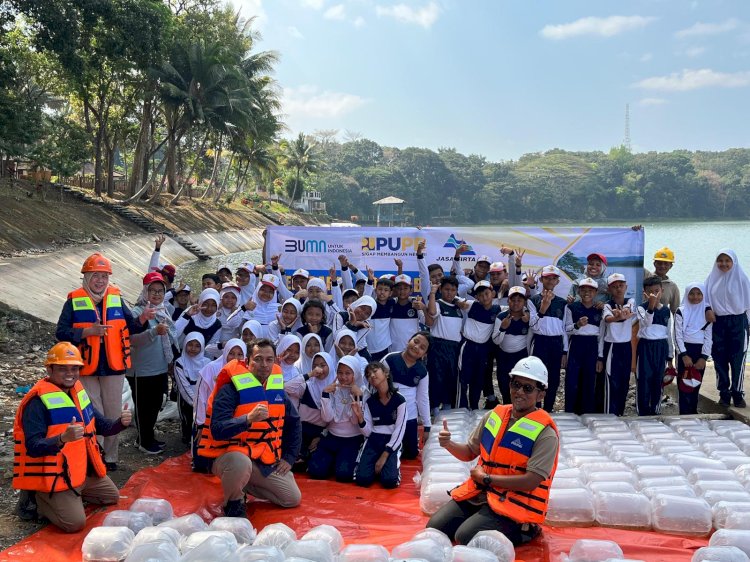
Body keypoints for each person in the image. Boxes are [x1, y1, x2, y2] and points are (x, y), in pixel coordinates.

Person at [426, 356, 559, 546]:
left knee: (465, 537)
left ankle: (526, 530)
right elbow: (470, 451)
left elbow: (531, 481)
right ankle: (480, 518)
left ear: (541, 395)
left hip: (514, 501)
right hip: (482, 492)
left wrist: (487, 479)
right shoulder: (494, 416)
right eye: (516, 384)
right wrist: (449, 444)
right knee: (435, 528)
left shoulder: (546, 434)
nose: (519, 391)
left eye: (528, 388)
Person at [13, 343, 132, 532]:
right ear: (49, 369)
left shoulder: (78, 391)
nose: (70, 373)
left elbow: (102, 426)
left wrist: (121, 423)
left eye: (75, 368)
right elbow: (33, 447)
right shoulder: (37, 402)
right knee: (75, 524)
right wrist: (61, 439)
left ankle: (74, 495)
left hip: (79, 473)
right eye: (62, 368)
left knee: (111, 497)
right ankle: (36, 498)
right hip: (54, 477)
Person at [56, 253, 150, 470]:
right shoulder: (73, 300)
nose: (100, 281)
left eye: (104, 276)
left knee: (114, 412)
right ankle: (94, 453)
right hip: (86, 368)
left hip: (113, 366)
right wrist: (88, 331)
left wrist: (144, 318)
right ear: (87, 277)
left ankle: (111, 457)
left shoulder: (116, 298)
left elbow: (132, 327)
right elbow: (61, 332)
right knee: (93, 411)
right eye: (96, 276)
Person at [197, 338, 301, 516]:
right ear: (247, 362)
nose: (264, 365)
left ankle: (243, 484)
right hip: (229, 454)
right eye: (258, 359)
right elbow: (217, 429)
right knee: (240, 462)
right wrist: (247, 419)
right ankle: (234, 502)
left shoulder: (277, 390)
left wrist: (289, 457)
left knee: (292, 498)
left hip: (261, 456)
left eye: (269, 360)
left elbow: (294, 423)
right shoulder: (230, 389)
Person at [128, 272, 178, 454]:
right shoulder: (137, 312)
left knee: (156, 403)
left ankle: (147, 436)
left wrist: (170, 362)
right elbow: (132, 339)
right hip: (141, 370)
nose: (156, 295)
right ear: (145, 292)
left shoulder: (164, 310)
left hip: (160, 368)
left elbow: (171, 338)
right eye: (152, 291)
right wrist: (154, 332)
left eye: (160, 291)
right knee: (144, 406)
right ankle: (143, 441)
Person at [308, 355, 365, 482]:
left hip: (352, 439)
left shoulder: (361, 391)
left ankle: (340, 460)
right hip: (332, 436)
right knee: (316, 471)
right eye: (340, 372)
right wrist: (325, 395)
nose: (343, 377)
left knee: (344, 476)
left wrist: (358, 398)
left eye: (348, 373)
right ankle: (335, 460)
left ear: (355, 374)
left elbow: (355, 421)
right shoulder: (333, 388)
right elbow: (327, 418)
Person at [704, 249, 750, 408]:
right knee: (719, 358)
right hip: (718, 323)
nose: (723, 264)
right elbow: (704, 300)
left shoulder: (742, 279)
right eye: (720, 260)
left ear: (734, 262)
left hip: (738, 322)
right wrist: (708, 309)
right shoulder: (711, 279)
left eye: (727, 260)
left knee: (738, 359)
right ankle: (724, 393)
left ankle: (737, 393)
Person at [353, 362, 407, 489]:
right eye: (368, 375)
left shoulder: (400, 400)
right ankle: (375, 469)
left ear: (386, 373)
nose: (371, 375)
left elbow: (399, 430)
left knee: (389, 481)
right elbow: (367, 432)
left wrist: (385, 454)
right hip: (373, 440)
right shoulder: (370, 402)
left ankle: (388, 467)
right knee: (362, 480)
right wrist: (360, 419)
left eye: (375, 371)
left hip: (391, 442)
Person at [383, 332, 431, 460]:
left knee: (410, 454)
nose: (417, 347)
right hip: (387, 414)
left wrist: (427, 426)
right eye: (415, 342)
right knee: (385, 449)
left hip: (409, 417)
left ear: (424, 354)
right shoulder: (390, 359)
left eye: (422, 347)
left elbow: (423, 399)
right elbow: (375, 385)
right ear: (408, 340)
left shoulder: (422, 372)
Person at [527, 265, 568, 412]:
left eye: (553, 278)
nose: (550, 280)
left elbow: (564, 329)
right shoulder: (533, 300)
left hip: (556, 343)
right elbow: (533, 326)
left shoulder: (563, 303)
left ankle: (549, 410)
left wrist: (564, 351)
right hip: (540, 342)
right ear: (541, 279)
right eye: (547, 277)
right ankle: (535, 409)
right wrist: (543, 309)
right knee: (537, 377)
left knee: (554, 378)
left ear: (557, 281)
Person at [458, 280, 501, 410]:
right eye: (480, 295)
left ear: (492, 293)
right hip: (467, 346)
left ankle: (474, 407)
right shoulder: (471, 305)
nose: (484, 297)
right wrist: (457, 302)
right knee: (463, 379)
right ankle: (462, 407)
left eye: (487, 293)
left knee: (478, 379)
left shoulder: (498, 310)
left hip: (483, 350)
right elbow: (455, 298)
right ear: (476, 297)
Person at [563, 278, 604, 414]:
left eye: (590, 290)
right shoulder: (571, 307)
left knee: (589, 381)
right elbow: (567, 329)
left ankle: (587, 413)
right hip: (576, 345)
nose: (587, 293)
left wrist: (600, 357)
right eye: (584, 290)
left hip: (592, 346)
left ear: (596, 292)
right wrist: (577, 325)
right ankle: (570, 412)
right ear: (578, 291)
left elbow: (601, 336)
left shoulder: (600, 309)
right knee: (572, 381)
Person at [635, 276, 674, 416]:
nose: (654, 295)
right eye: (650, 292)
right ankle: (643, 411)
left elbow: (668, 334)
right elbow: (646, 323)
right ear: (644, 293)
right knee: (644, 378)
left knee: (658, 379)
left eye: (656, 291)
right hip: (646, 346)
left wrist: (670, 356)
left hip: (661, 347)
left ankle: (655, 409)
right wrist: (651, 306)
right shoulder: (641, 308)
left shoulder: (666, 311)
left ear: (662, 291)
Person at [601, 273, 637, 416]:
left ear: (626, 286)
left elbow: (628, 310)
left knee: (624, 381)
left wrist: (622, 314)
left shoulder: (630, 301)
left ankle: (620, 414)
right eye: (614, 287)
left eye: (621, 285)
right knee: (611, 380)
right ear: (609, 289)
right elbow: (607, 319)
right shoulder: (607, 305)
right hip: (612, 347)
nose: (618, 289)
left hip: (626, 347)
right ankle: (609, 414)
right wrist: (617, 317)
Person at [425, 277, 464, 412]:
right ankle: (434, 409)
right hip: (438, 346)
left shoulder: (459, 308)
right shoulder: (437, 303)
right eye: (447, 289)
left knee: (451, 378)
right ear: (441, 290)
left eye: (453, 290)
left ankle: (448, 408)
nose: (450, 293)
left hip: (454, 348)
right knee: (436, 378)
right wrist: (432, 293)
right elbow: (432, 312)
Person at [674, 283, 712, 414]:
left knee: (696, 384)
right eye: (691, 293)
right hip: (684, 351)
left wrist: (704, 358)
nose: (695, 297)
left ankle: (693, 413)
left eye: (699, 294)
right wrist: (684, 355)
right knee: (684, 385)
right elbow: (677, 335)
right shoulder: (681, 311)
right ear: (686, 294)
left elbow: (709, 337)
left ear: (703, 295)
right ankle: (684, 414)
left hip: (700, 352)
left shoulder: (707, 312)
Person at [491, 286, 531, 406]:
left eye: (519, 300)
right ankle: (507, 411)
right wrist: (503, 328)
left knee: (521, 386)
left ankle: (521, 410)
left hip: (521, 356)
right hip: (503, 357)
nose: (516, 303)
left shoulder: (529, 318)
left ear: (524, 302)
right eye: (513, 300)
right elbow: (496, 340)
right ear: (508, 300)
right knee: (504, 385)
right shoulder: (501, 316)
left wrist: (528, 318)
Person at [174, 333, 211, 445]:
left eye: (197, 346)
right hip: (186, 399)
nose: (193, 349)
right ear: (185, 344)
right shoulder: (180, 363)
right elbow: (183, 387)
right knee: (187, 420)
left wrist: (203, 403)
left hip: (204, 400)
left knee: (201, 422)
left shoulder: (207, 362)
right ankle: (187, 439)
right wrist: (196, 403)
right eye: (190, 345)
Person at [644, 247, 681, 313]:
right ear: (654, 263)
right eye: (659, 263)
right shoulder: (646, 276)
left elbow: (675, 311)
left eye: (666, 264)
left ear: (671, 266)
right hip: (643, 320)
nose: (662, 266)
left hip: (661, 321)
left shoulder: (673, 287)